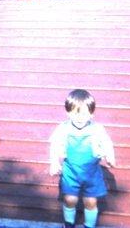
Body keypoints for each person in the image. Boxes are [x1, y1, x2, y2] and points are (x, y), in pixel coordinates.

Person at [49, 89, 116, 228]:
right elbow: (54, 144)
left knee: (90, 202)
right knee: (70, 200)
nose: (80, 117)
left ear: (91, 113)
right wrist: (54, 162)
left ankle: (89, 226)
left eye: (84, 113)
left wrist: (110, 156)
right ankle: (68, 224)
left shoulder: (97, 129)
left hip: (91, 174)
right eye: (75, 113)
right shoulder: (63, 128)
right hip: (70, 172)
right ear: (68, 112)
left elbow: (107, 143)